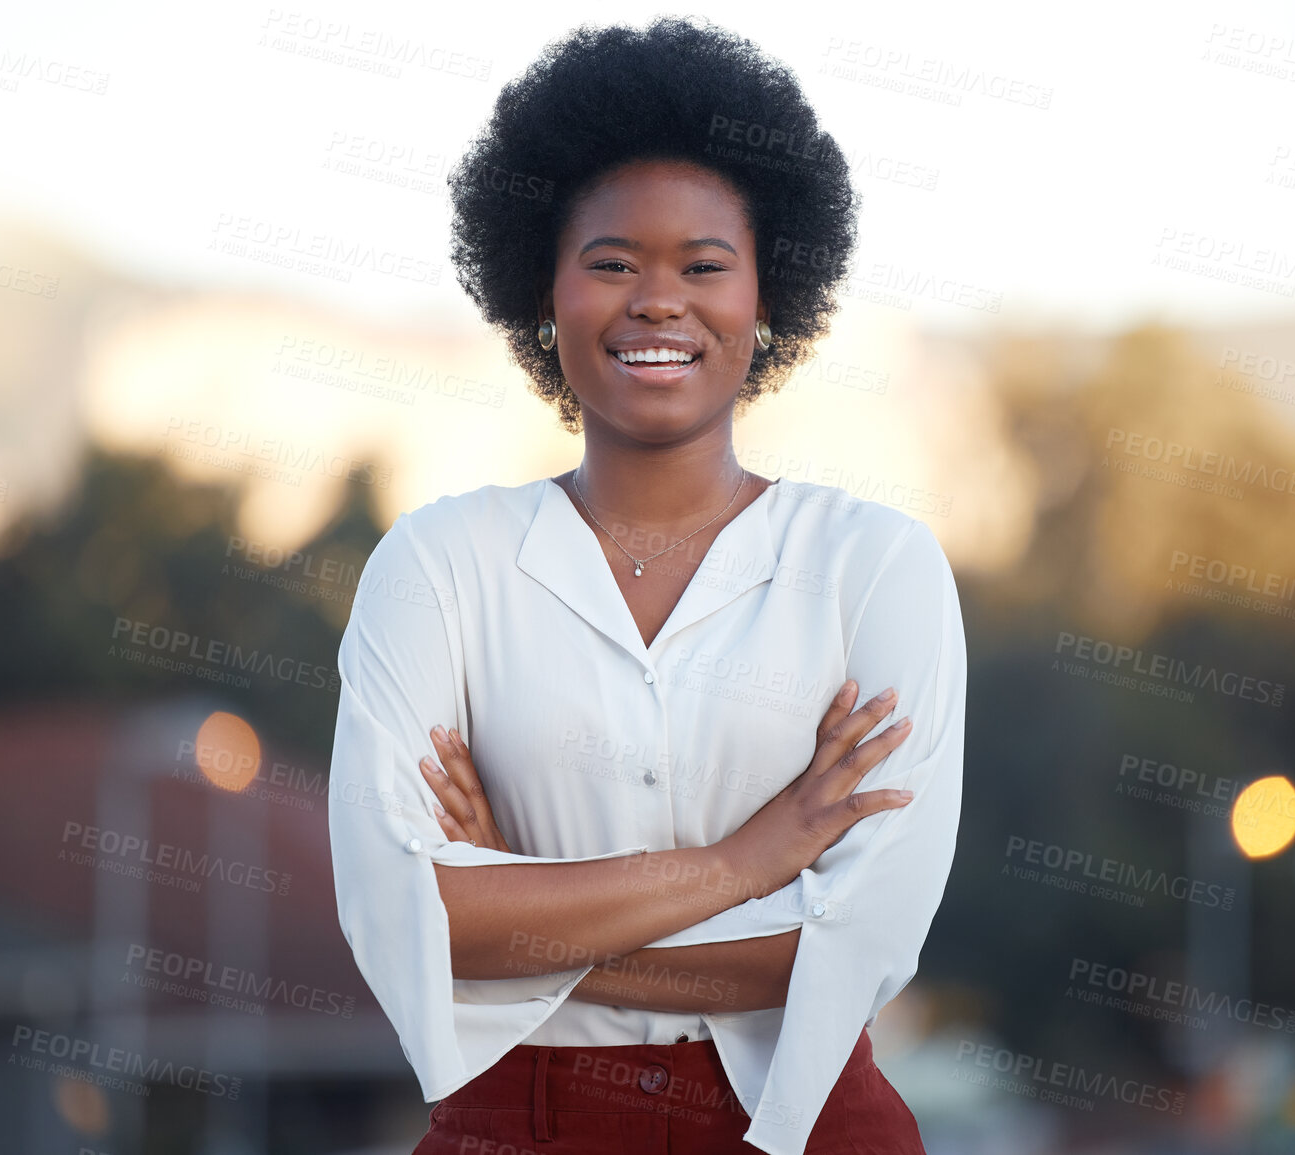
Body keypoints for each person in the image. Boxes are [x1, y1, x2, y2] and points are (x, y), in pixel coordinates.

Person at [327, 17, 967, 1154]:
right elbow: (408, 917)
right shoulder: (437, 566)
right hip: (512, 1128)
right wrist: (743, 865)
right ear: (543, 289)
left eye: (705, 266)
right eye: (612, 262)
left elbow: (852, 945)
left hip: (806, 1127)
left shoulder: (876, 568)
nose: (658, 302)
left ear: (768, 298)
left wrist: (523, 908)